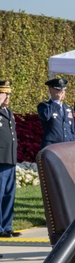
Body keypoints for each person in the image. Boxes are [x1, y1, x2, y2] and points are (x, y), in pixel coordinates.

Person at [0, 80, 18, 238]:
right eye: (4, 94)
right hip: (0, 159)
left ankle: (7, 226)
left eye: (9, 94)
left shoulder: (8, 112)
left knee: (8, 194)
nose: (7, 97)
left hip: (9, 158)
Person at [38, 77, 75, 148]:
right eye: (58, 90)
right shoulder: (45, 106)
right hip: (52, 146)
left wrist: (73, 144)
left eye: (63, 90)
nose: (62, 92)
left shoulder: (67, 108)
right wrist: (56, 102)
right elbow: (45, 116)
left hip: (67, 146)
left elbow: (71, 130)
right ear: (51, 90)